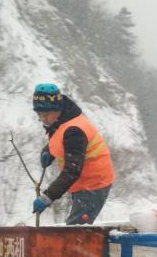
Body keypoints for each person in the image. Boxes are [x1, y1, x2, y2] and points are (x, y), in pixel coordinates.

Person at [31, 83, 114, 224]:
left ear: (57, 109)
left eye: (46, 114)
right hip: (83, 183)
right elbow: (60, 138)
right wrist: (49, 151)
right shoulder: (62, 119)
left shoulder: (74, 130)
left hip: (94, 184)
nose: (43, 119)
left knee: (75, 234)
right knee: (75, 231)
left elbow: (72, 171)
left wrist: (48, 197)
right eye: (39, 115)